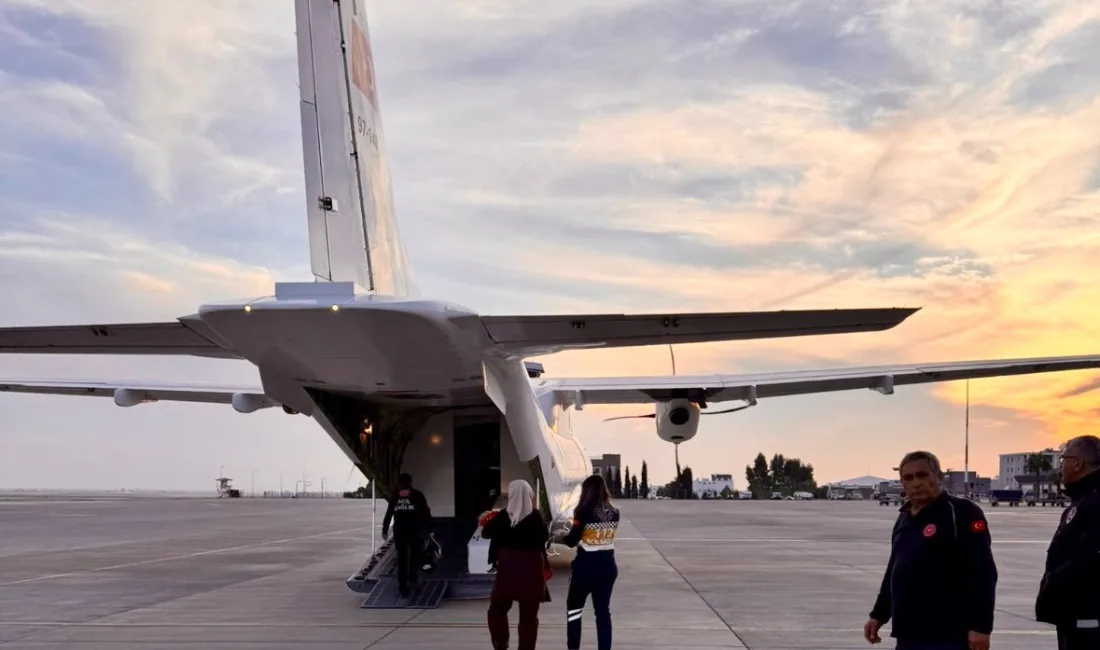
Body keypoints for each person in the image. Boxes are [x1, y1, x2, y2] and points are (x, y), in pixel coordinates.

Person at [864, 450, 997, 650]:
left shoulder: (961, 512)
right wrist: (879, 614)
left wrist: (981, 627)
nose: (916, 483)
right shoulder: (905, 518)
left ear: (938, 477)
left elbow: (983, 573)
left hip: (949, 634)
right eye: (908, 478)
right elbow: (895, 570)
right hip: (908, 633)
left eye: (922, 475)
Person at [1035, 435, 1100, 649]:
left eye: (1063, 460)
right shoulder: (1081, 501)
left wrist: (1054, 580)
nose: (1061, 466)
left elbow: (1090, 558)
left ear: (1077, 463)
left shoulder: (1094, 502)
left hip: (1088, 622)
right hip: (1073, 617)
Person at [482, 479, 549, 650]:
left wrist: (488, 518)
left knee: (496, 610)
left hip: (508, 573)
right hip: (532, 574)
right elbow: (544, 538)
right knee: (528, 618)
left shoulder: (502, 517)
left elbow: (486, 533)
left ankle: (501, 642)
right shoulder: (536, 518)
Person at [559, 473, 620, 650]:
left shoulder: (583, 512)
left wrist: (561, 534)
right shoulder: (615, 513)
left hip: (586, 568)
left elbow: (572, 541)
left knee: (574, 610)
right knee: (602, 612)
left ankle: (573, 647)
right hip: (608, 566)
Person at [381, 473, 432, 598]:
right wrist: (430, 529)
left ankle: (403, 587)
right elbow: (426, 513)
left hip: (400, 531)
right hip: (414, 530)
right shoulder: (417, 495)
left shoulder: (395, 496)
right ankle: (413, 580)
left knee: (402, 559)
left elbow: (389, 514)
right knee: (415, 556)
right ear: (410, 482)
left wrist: (385, 529)